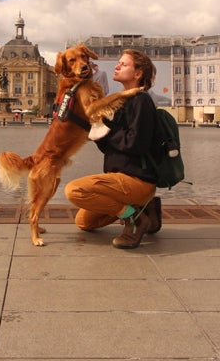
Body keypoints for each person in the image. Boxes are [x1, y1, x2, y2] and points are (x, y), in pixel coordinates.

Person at [64, 49, 160, 249]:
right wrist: (95, 130)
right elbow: (112, 148)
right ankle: (147, 210)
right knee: (84, 222)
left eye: (123, 64)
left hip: (136, 179)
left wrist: (108, 131)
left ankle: (134, 219)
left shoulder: (141, 100)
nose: (117, 66)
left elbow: (136, 144)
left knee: (74, 190)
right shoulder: (122, 101)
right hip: (118, 179)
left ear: (138, 74)